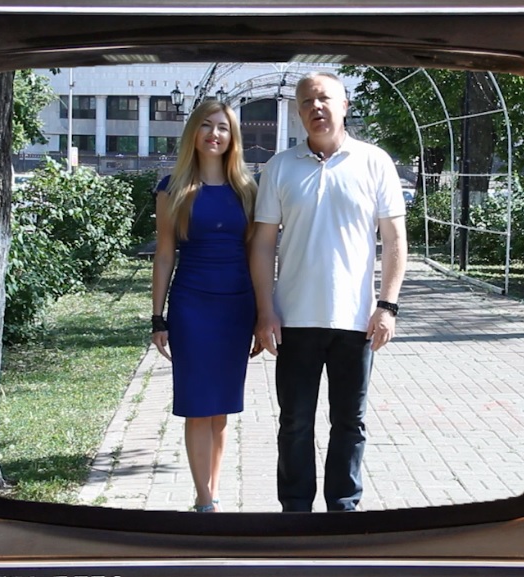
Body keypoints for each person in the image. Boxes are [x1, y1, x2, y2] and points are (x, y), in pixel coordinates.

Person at [249, 71, 408, 512]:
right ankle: (295, 511)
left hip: (356, 320)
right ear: (298, 112)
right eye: (306, 102)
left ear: (344, 105)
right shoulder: (279, 167)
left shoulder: (374, 162)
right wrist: (265, 310)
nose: (315, 107)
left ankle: (343, 510)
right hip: (293, 318)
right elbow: (262, 245)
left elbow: (395, 240)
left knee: (349, 424)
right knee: (294, 423)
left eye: (324, 98)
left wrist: (387, 306)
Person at [151, 99, 260, 513]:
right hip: (192, 307)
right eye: (207, 126)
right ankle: (204, 501)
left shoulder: (248, 190)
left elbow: (257, 254)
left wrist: (262, 314)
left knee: (221, 410)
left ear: (233, 137)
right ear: (193, 133)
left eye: (223, 128)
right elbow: (165, 255)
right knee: (198, 406)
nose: (215, 134)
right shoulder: (172, 188)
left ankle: (211, 493)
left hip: (236, 308)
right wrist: (157, 317)